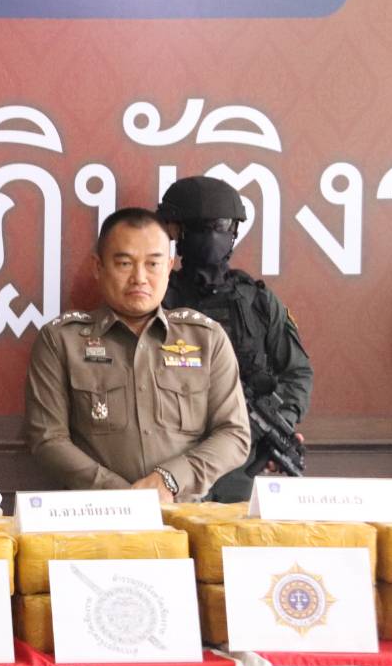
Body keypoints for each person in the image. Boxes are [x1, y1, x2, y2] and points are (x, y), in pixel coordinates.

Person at [24, 207, 251, 499]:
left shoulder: (206, 339)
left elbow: (233, 434)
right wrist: (122, 494)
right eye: (124, 263)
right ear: (98, 267)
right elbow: (48, 438)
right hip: (95, 514)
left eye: (153, 264)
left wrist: (171, 479)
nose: (139, 278)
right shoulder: (61, 341)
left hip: (186, 515)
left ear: (169, 267)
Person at [158, 176, 313, 500]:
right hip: (171, 456)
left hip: (241, 463)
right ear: (178, 231)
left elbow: (297, 371)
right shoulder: (157, 298)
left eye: (223, 226)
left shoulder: (258, 302)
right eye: (201, 227)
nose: (213, 235)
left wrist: (276, 421)